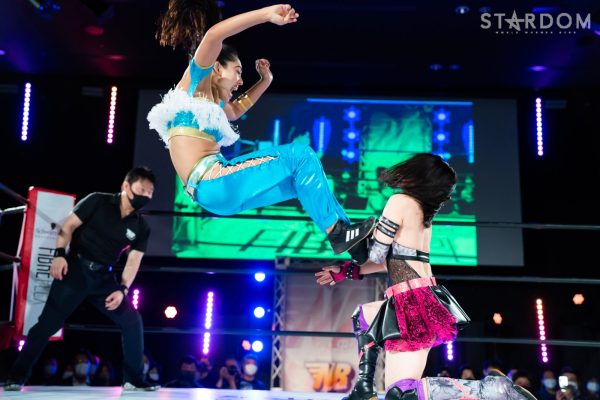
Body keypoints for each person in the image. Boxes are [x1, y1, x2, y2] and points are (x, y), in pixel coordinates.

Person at [147, 0, 375, 256]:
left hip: (216, 194)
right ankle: (340, 234)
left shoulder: (213, 104)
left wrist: (265, 81)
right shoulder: (195, 84)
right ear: (217, 67)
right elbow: (214, 35)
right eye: (237, 71)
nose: (240, 81)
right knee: (300, 155)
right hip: (214, 184)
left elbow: (236, 110)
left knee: (300, 179)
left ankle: (353, 242)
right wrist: (266, 14)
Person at [315, 154, 536, 400]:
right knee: (364, 316)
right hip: (418, 297)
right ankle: (363, 388)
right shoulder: (422, 213)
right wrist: (348, 270)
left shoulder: (399, 201)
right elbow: (395, 261)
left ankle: (491, 390)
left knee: (401, 394)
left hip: (411, 301)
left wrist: (354, 235)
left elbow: (377, 254)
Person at [4, 167, 159, 391]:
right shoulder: (97, 200)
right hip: (75, 269)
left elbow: (134, 260)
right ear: (126, 186)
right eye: (142, 189)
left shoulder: (141, 226)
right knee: (46, 325)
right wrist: (59, 255)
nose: (145, 195)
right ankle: (16, 376)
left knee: (132, 320)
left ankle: (133, 380)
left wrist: (123, 289)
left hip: (103, 278)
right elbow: (68, 226)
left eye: (150, 192)